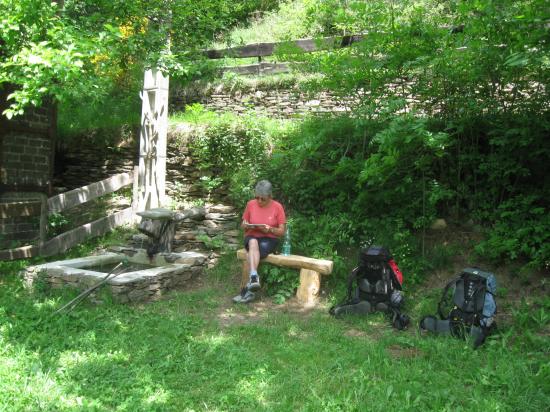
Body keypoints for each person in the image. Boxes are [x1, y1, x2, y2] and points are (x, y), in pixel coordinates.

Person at [233, 180, 286, 303]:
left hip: (269, 239)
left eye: (263, 199)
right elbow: (243, 224)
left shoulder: (277, 207)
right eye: (257, 198)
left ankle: (248, 291)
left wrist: (269, 229)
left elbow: (282, 232)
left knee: (250, 254)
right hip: (251, 236)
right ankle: (253, 277)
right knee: (253, 242)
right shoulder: (250, 204)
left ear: (270, 196)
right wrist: (246, 225)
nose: (259, 201)